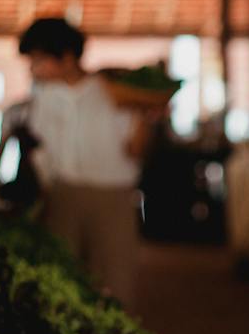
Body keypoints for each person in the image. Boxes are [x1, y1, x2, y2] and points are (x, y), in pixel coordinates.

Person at [18, 18, 155, 306]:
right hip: (63, 194)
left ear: (67, 57)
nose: (33, 69)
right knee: (63, 281)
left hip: (112, 198)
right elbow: (40, 148)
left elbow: (135, 149)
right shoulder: (44, 97)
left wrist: (146, 116)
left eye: (39, 60)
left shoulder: (114, 92)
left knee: (115, 279)